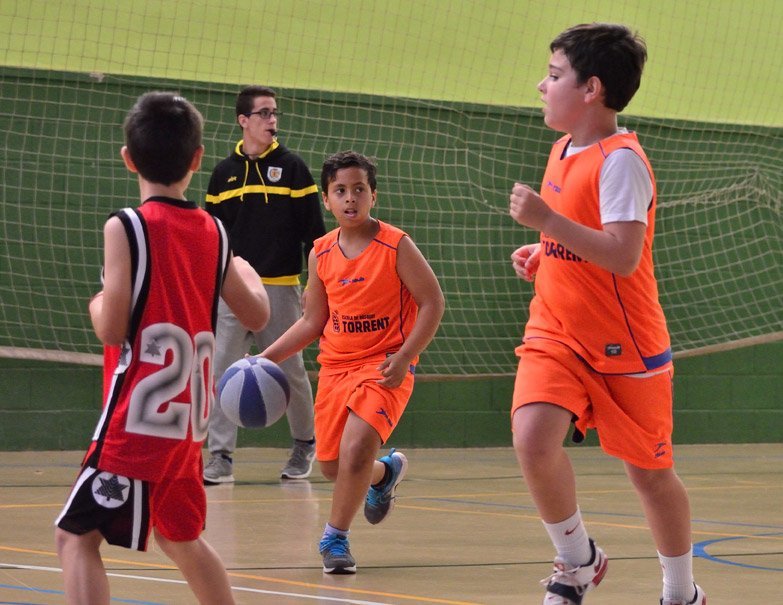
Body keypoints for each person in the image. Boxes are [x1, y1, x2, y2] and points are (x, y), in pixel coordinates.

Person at [507, 23, 706, 605]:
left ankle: (681, 592)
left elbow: (621, 254)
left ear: (591, 88)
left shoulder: (622, 162)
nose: (541, 85)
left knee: (650, 476)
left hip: (625, 343)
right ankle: (578, 561)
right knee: (532, 438)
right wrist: (547, 250)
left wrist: (548, 223)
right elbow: (584, 236)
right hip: (557, 332)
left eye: (554, 75)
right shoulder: (562, 149)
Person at [54, 92, 271, 604]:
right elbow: (257, 316)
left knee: (75, 537)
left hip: (138, 421)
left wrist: (97, 301)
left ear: (128, 158)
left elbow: (112, 329)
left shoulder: (126, 226)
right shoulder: (215, 232)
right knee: (180, 538)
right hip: (187, 425)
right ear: (197, 159)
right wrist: (248, 274)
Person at [258, 150, 445, 574]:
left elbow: (432, 302)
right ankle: (384, 474)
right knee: (334, 467)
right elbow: (312, 321)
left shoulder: (396, 245)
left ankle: (334, 539)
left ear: (373, 196)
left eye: (359, 189)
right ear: (326, 200)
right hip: (336, 369)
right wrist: (266, 359)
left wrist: (405, 356)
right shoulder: (320, 253)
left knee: (357, 447)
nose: (350, 198)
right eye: (340, 190)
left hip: (384, 366)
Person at [204, 85, 327, 483]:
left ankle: (304, 444)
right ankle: (220, 456)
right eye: (264, 113)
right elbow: (214, 238)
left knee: (290, 369)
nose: (272, 120)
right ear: (243, 120)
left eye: (274, 113)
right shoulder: (222, 174)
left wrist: (315, 285)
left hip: (281, 287)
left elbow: (315, 235)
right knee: (221, 370)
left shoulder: (293, 168)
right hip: (233, 290)